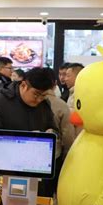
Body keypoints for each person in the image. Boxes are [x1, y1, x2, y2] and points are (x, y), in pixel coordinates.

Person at [0, 67, 57, 145]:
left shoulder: (44, 104)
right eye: (36, 94)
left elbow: (52, 127)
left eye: (44, 95)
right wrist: (24, 139)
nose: (39, 99)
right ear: (23, 85)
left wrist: (50, 132)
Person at [39, 69, 75, 197]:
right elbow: (68, 135)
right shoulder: (61, 105)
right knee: (48, 190)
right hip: (53, 155)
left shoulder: (26, 102)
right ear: (54, 84)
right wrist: (67, 156)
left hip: (29, 153)